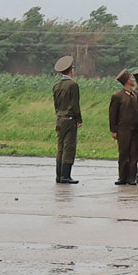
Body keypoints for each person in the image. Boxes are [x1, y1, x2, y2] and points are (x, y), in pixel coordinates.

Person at [52, 55, 82, 185]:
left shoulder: (56, 86)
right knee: (69, 147)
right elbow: (75, 104)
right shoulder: (72, 85)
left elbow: (56, 104)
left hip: (60, 118)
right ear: (71, 70)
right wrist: (79, 119)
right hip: (70, 119)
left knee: (60, 147)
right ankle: (66, 175)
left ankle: (59, 175)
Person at [110, 69, 138, 185]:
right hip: (123, 129)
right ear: (127, 81)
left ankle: (132, 177)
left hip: (135, 129)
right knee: (123, 153)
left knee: (134, 154)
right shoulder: (118, 96)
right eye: (131, 78)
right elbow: (113, 114)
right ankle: (122, 177)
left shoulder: (136, 95)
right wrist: (113, 130)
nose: (133, 80)